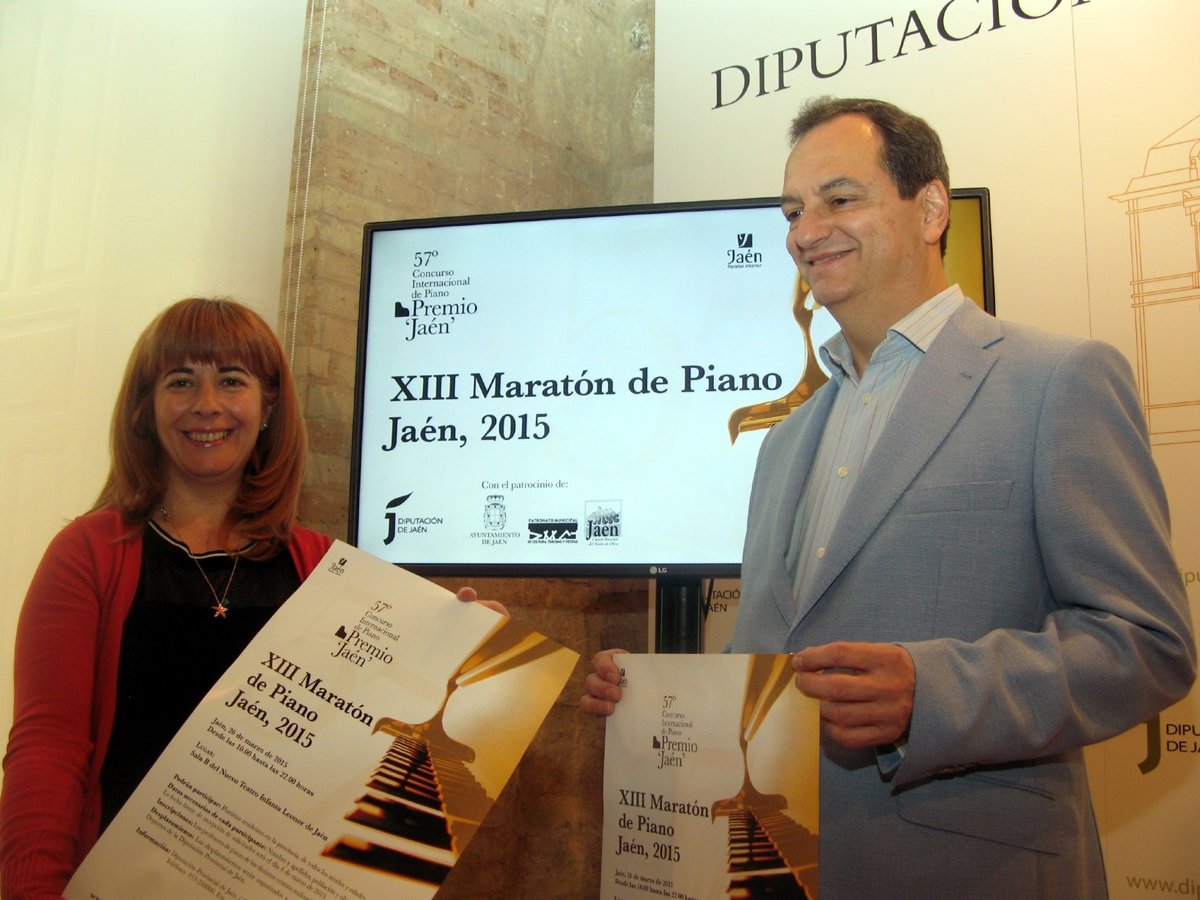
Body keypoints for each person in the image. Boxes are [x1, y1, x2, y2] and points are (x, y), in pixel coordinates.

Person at [583, 98, 1196, 898]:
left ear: (931, 208)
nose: (806, 233)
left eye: (840, 199)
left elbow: (1147, 645)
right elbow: (771, 666)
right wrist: (658, 702)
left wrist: (932, 694)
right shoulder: (783, 444)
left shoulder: (1058, 381)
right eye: (793, 212)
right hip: (775, 867)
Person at [0, 297, 497, 899]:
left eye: (231, 380)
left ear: (267, 407)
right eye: (181, 381)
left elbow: (365, 739)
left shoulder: (323, 567)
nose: (206, 404)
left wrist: (463, 647)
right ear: (144, 409)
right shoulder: (88, 553)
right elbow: (47, 749)